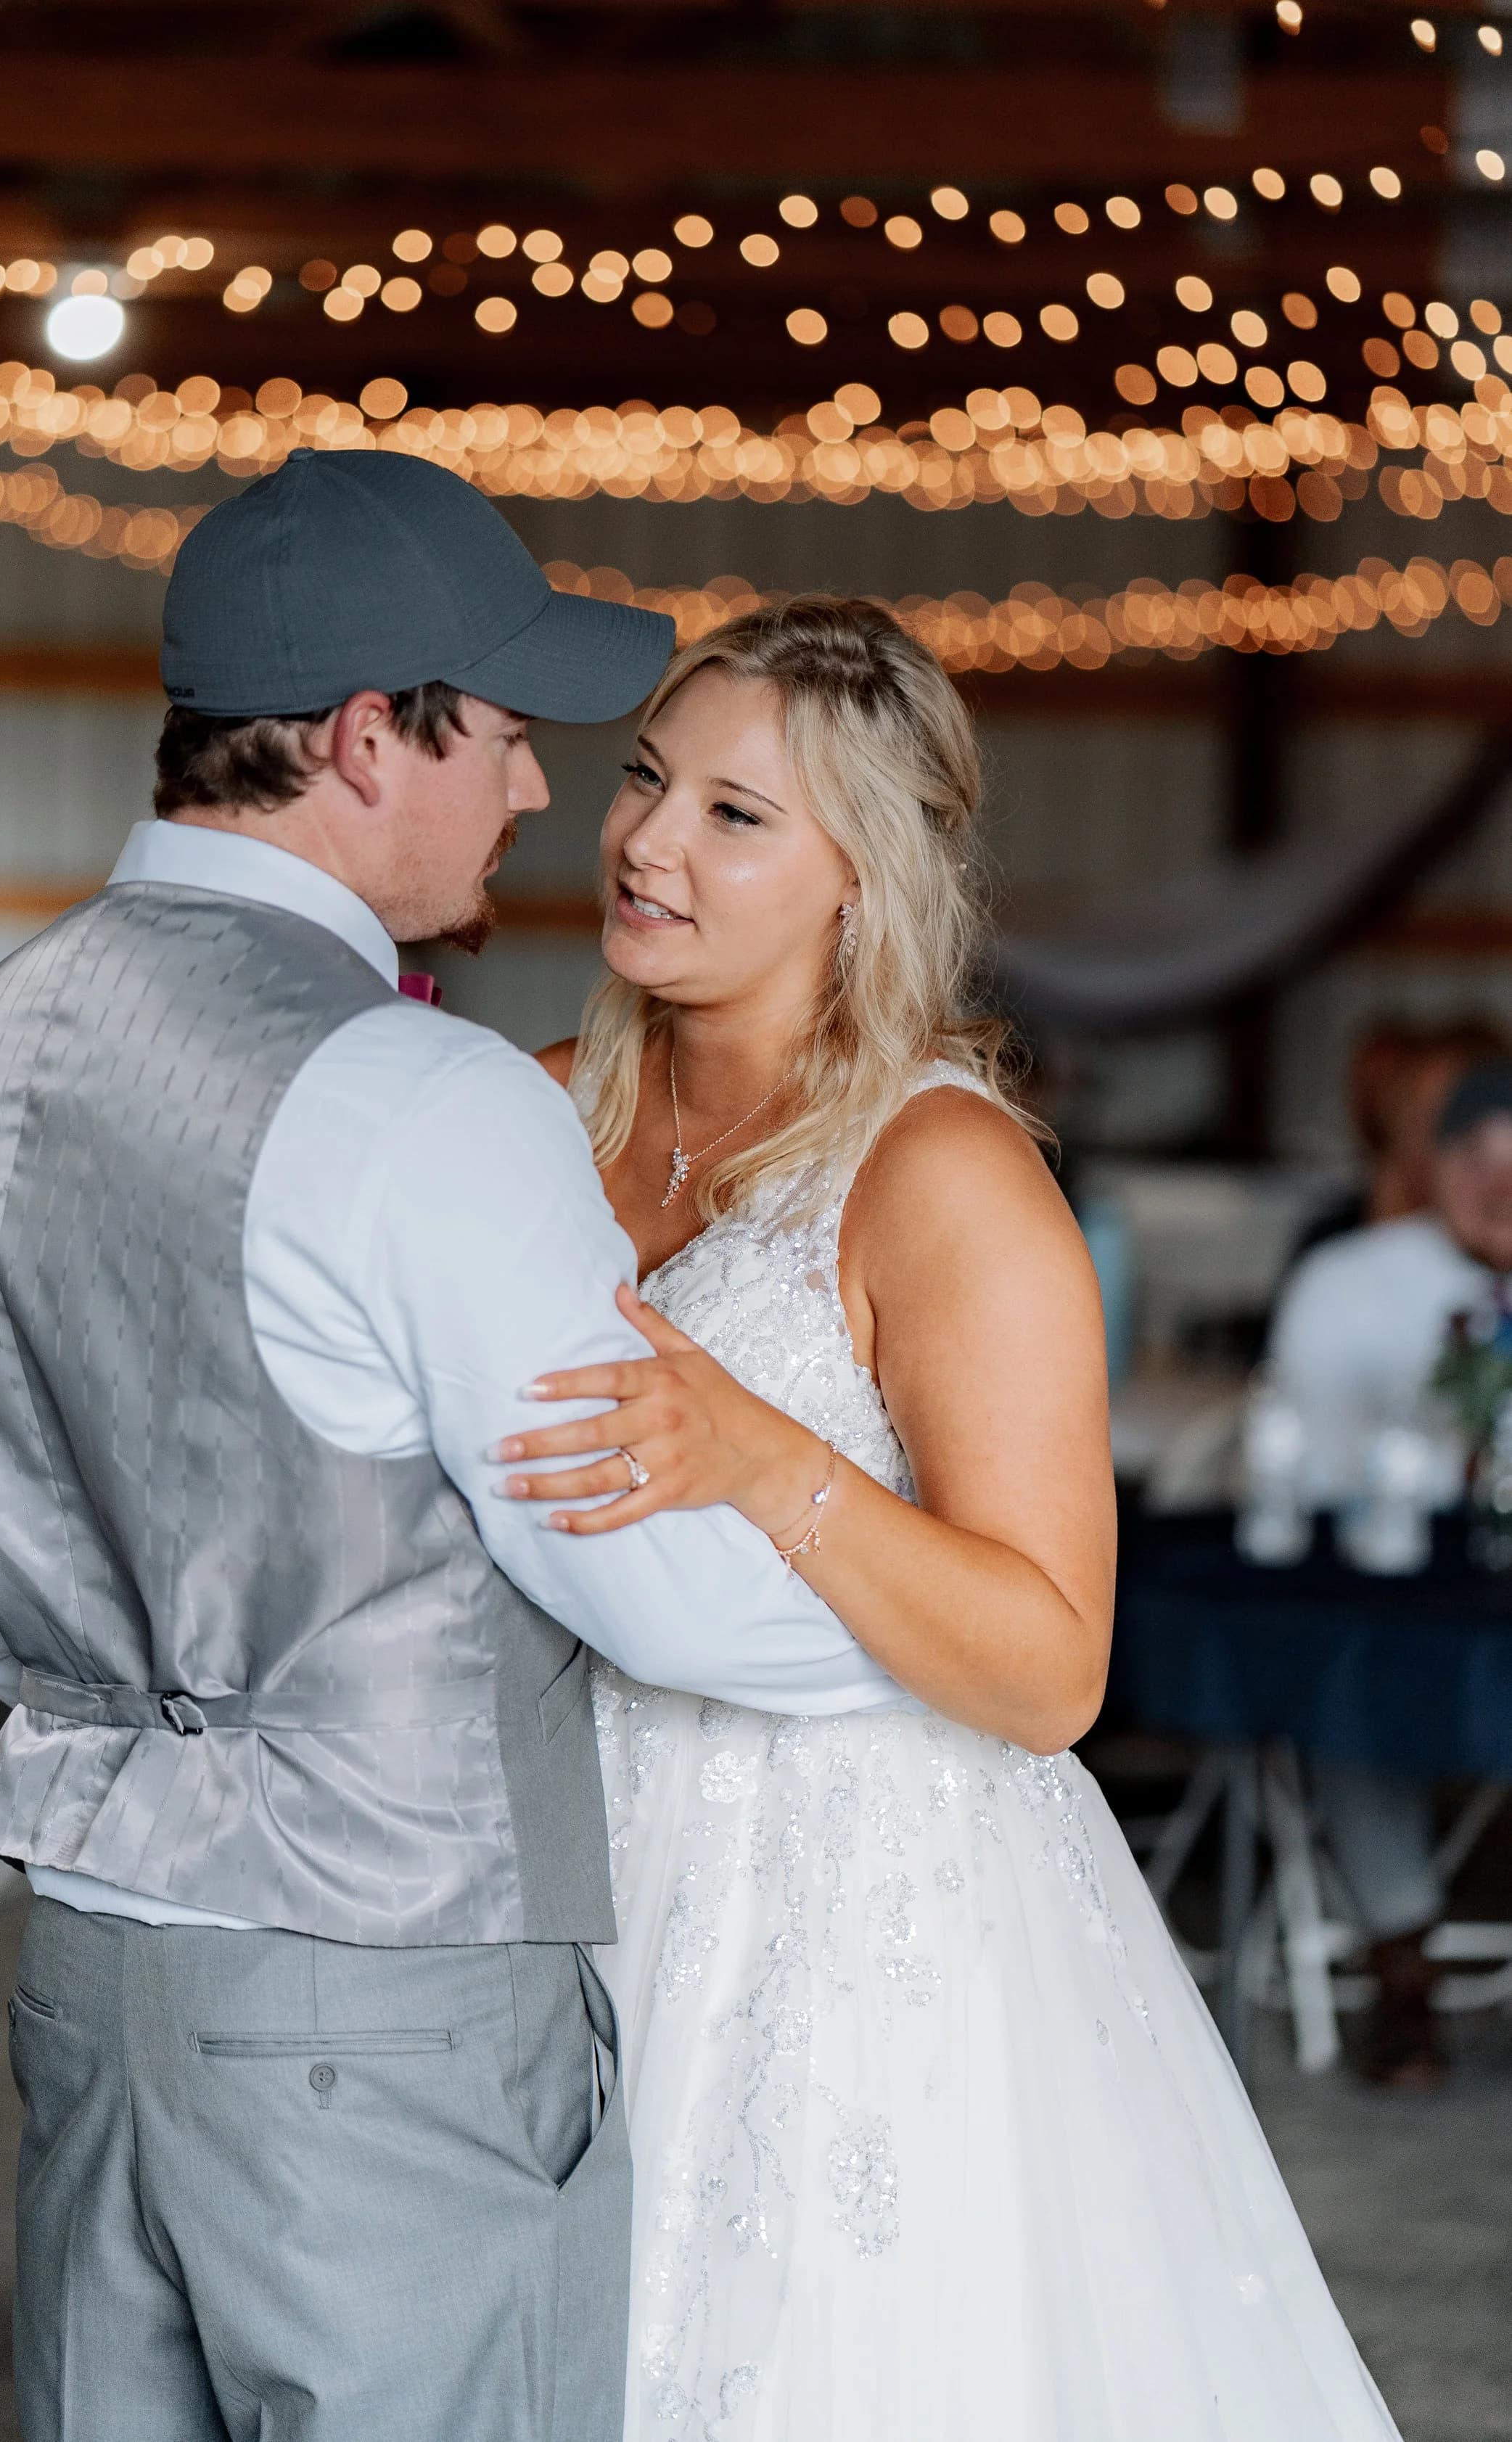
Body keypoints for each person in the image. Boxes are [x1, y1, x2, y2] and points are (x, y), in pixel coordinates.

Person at [0, 453, 926, 2442]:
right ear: (368, 737)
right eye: (511, 734)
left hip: (92, 1963)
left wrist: (166, 1723)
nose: (538, 791)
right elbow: (636, 1567)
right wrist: (935, 1642)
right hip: (391, 1980)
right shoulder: (425, 1094)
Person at [498, 601, 1401, 2441]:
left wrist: (760, 1454)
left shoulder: (942, 1172)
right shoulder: (532, 1119)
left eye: (735, 814)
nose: (650, 840)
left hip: (853, 1911)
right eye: (647, 780)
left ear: (862, 872)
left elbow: (1053, 1661)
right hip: (561, 1857)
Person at [1270, 1057, 1512, 2085]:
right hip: (1397, 1576)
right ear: (1437, 1164)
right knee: (1350, 1689)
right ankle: (1401, 1965)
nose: (1500, 1188)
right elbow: (1305, 1460)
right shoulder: (1353, 1278)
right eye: (1478, 1160)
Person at [1288, 1016, 1508, 1265]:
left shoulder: (1489, 1247)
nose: (1422, 1131)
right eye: (1412, 1107)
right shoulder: (1331, 1238)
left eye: (1445, 1114)